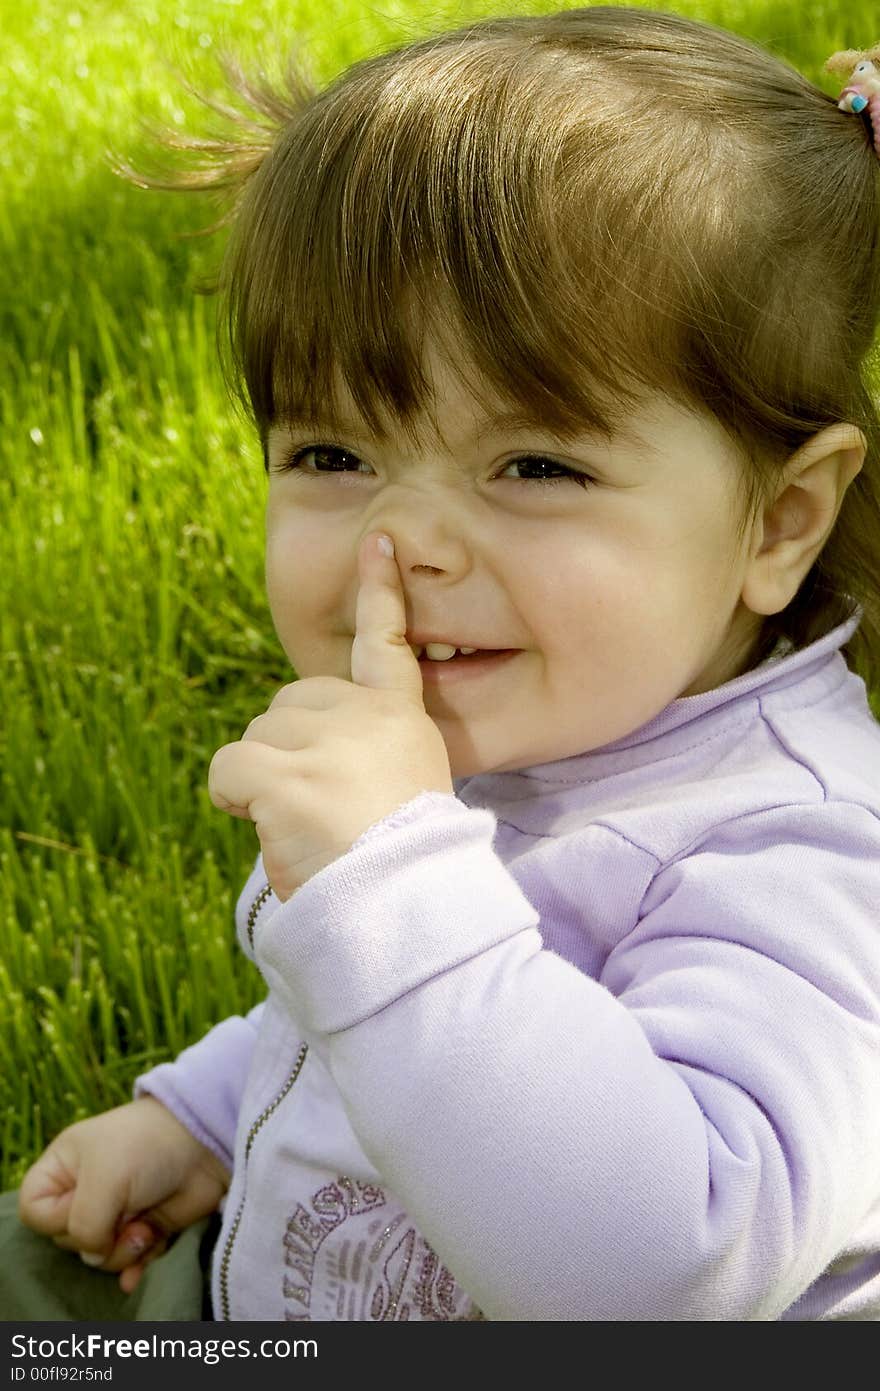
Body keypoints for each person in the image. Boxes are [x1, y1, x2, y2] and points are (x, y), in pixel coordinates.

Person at [5, 4, 880, 1321]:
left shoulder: (801, 849)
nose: (400, 539)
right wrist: (205, 1113)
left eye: (534, 466)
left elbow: (663, 1272)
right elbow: (361, 1007)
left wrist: (390, 875)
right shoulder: (537, 720)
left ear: (779, 522)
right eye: (332, 456)